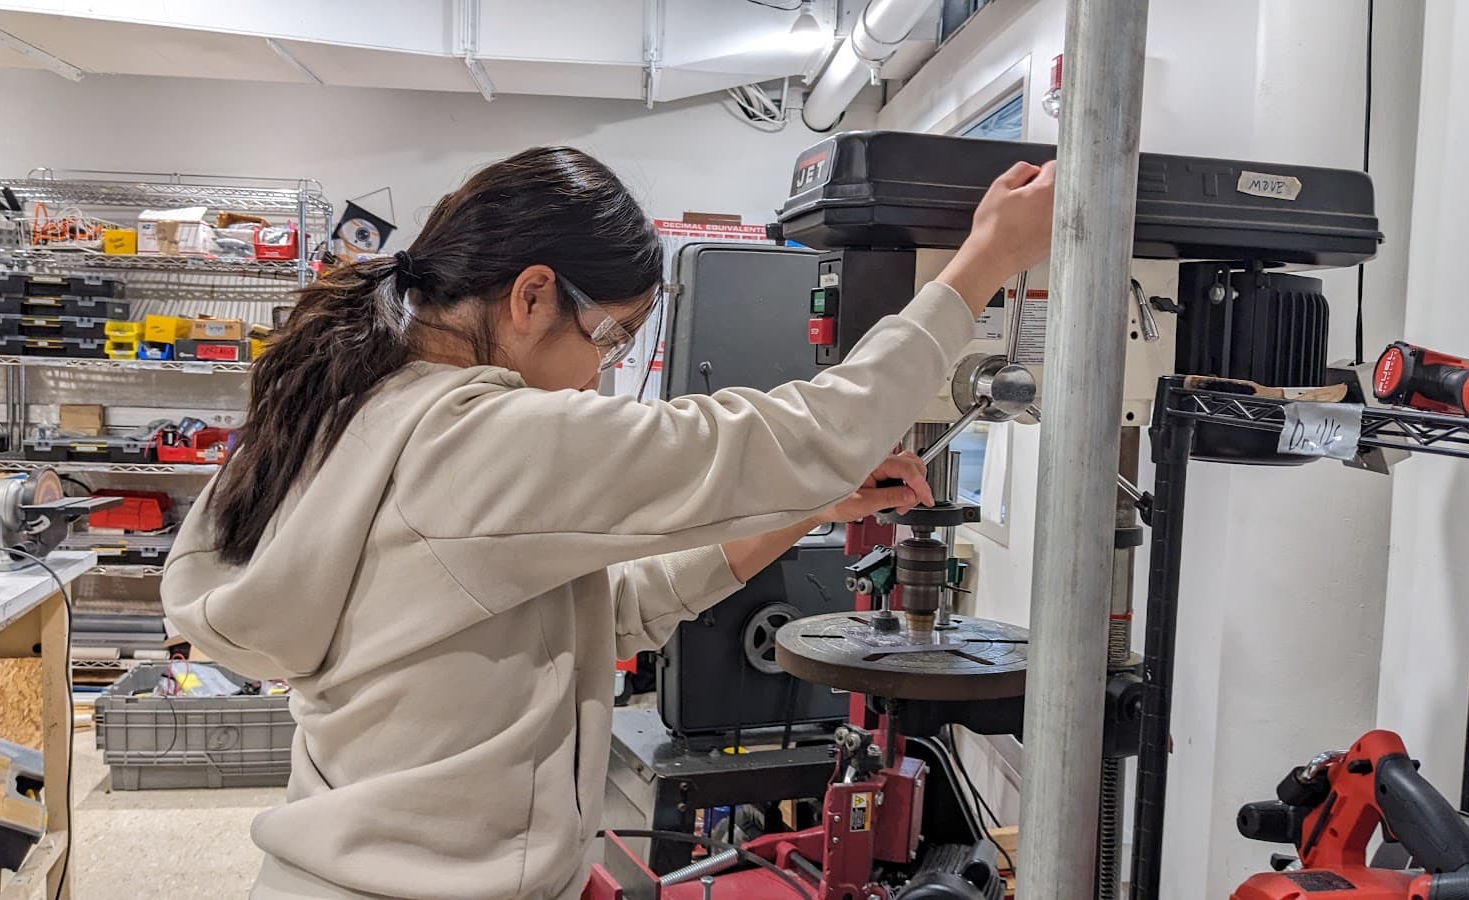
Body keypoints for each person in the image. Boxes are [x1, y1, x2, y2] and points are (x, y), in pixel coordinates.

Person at [161, 145, 1055, 900]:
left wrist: (808, 506)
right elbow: (810, 432)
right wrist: (983, 263)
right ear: (532, 296)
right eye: (612, 338)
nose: (599, 376)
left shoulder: (367, 412)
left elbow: (602, 610)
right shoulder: (483, 437)